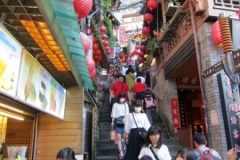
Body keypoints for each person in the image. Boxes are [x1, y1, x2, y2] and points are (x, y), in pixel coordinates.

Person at [111, 92, 130, 159]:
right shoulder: (115, 104)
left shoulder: (126, 105)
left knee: (125, 137)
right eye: (121, 97)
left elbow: (127, 113)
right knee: (118, 137)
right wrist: (112, 121)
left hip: (125, 121)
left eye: (123, 97)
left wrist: (125, 119)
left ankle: (125, 150)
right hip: (117, 121)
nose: (122, 99)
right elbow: (113, 113)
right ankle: (120, 151)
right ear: (119, 97)